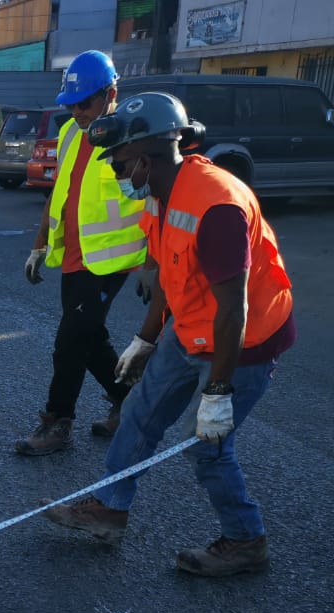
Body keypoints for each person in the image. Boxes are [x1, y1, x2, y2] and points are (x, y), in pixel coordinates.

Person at [43, 92, 296, 576]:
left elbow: (234, 310)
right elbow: (165, 275)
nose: (116, 172)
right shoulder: (160, 194)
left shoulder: (217, 206)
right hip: (192, 327)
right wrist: (144, 340)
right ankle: (108, 512)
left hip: (243, 342)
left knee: (208, 444)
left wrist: (218, 392)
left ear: (145, 157)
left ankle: (247, 541)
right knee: (138, 413)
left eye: (119, 162)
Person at [17, 50, 149, 455]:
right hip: (75, 255)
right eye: (71, 104)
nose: (77, 112)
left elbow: (159, 199)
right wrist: (40, 243)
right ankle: (129, 403)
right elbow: (60, 192)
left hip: (113, 259)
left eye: (86, 103)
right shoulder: (73, 133)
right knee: (89, 336)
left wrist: (155, 264)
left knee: (70, 340)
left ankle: (58, 422)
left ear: (111, 92)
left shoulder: (133, 135)